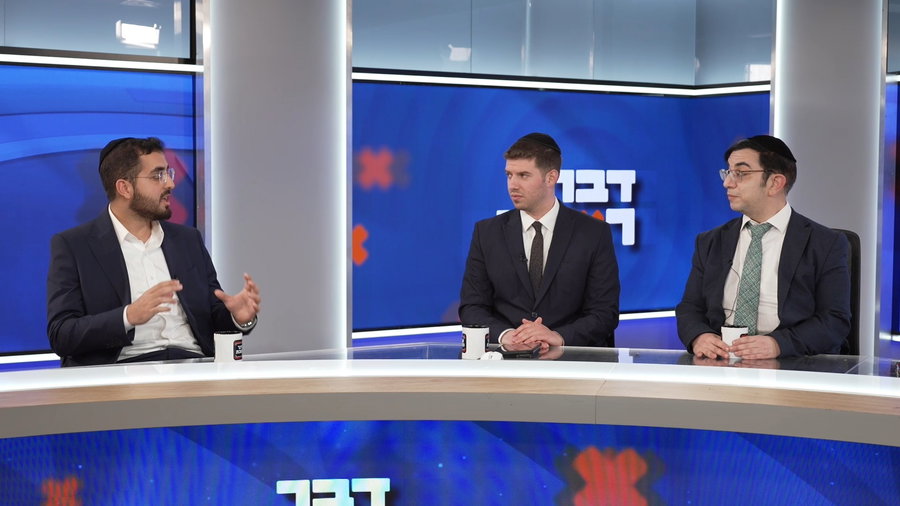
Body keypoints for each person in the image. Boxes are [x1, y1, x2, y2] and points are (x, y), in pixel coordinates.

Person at [47, 137, 261, 366]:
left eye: (169, 173)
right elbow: (62, 334)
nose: (170, 184)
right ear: (125, 188)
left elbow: (212, 318)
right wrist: (128, 316)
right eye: (158, 175)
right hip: (122, 371)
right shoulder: (75, 246)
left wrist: (237, 317)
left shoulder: (188, 241)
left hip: (193, 366)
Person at [676, 135, 850, 360]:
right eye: (728, 172)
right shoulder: (710, 241)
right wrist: (699, 336)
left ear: (775, 183)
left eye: (741, 173)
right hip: (721, 361)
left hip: (791, 362)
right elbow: (690, 307)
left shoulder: (825, 243)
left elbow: (834, 320)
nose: (727, 183)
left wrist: (778, 345)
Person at [459, 132, 620, 349]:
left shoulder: (593, 233)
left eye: (523, 175)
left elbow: (604, 313)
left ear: (551, 178)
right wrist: (507, 336)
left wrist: (558, 337)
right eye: (509, 175)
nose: (513, 185)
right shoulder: (487, 232)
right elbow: (472, 307)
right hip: (504, 360)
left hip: (571, 360)